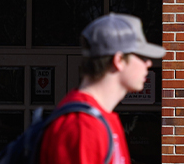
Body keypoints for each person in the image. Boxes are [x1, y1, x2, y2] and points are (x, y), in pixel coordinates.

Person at [38, 13, 165, 164]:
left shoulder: (101, 118)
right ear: (119, 60)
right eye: (142, 57)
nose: (148, 63)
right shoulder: (82, 127)